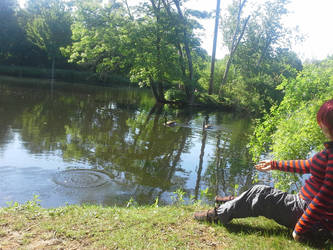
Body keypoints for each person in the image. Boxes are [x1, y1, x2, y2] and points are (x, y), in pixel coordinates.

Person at [194, 99, 333, 241]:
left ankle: (218, 215)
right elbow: (307, 165)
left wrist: (300, 229)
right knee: (261, 194)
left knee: (260, 194)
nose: (319, 125)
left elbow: (324, 197)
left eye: (323, 121)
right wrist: (274, 164)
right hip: (305, 207)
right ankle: (234, 202)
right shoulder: (329, 151)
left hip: (314, 218)